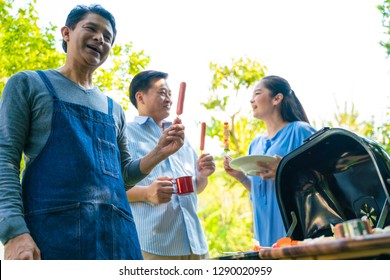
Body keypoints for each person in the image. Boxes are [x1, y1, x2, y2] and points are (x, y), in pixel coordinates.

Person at [0, 4, 185, 260]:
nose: (101, 38)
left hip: (119, 242)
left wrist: (158, 153)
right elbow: (5, 159)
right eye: (91, 28)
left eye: (108, 37)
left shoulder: (114, 110)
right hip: (53, 238)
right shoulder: (28, 84)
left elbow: (120, 177)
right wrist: (13, 232)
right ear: (66, 32)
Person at [126, 70, 215, 260]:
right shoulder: (125, 134)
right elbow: (112, 188)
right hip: (155, 246)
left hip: (196, 244)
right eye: (162, 92)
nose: (169, 99)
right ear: (140, 97)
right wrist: (147, 193)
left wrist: (202, 176)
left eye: (170, 94)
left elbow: (195, 188)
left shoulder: (179, 136)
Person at [224, 75, 317, 247]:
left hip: (297, 233)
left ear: (277, 98)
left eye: (257, 93)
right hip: (265, 238)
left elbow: (321, 178)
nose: (251, 100)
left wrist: (285, 170)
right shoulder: (255, 145)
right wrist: (242, 178)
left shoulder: (300, 131)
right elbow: (260, 192)